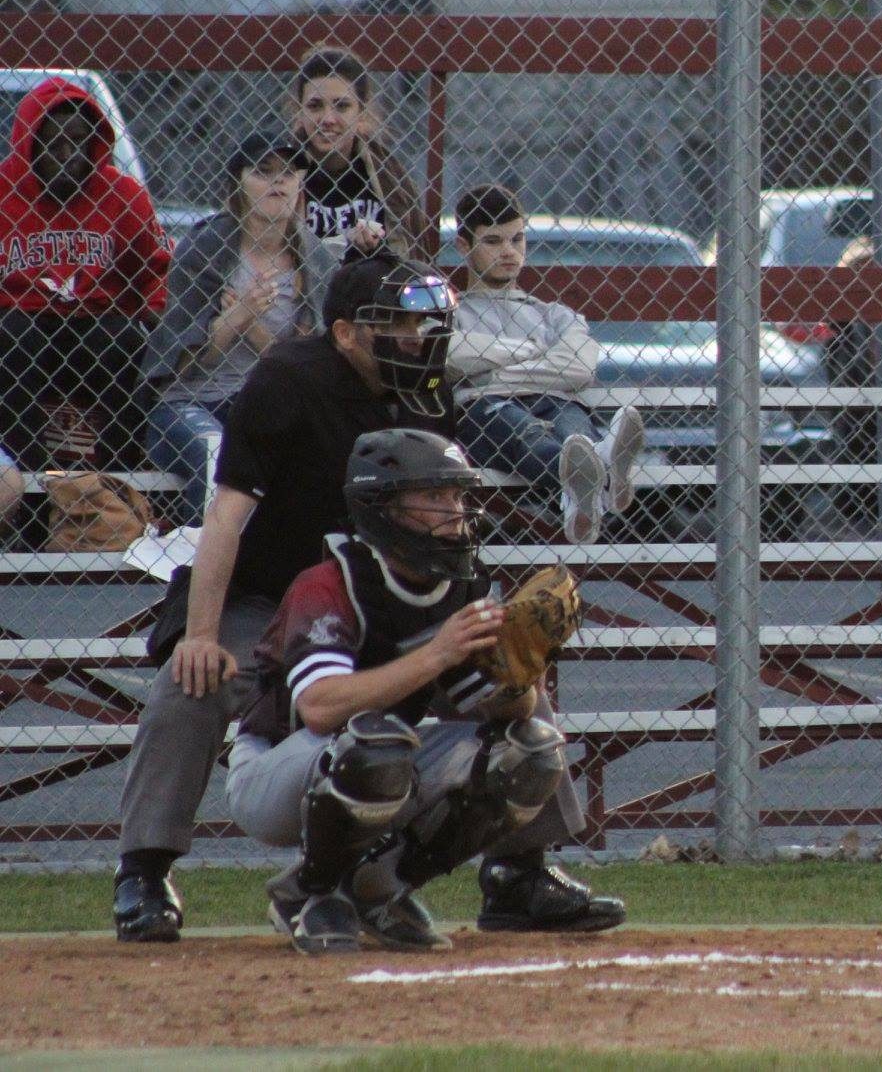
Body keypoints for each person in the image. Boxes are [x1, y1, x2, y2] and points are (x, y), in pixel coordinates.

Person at [112, 250, 623, 942]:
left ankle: (518, 872)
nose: (420, 339)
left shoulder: (427, 386)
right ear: (347, 331)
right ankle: (144, 870)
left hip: (375, 588)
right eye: (400, 325)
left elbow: (434, 513)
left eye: (426, 323)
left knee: (502, 667)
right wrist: (202, 633)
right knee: (191, 682)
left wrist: (483, 636)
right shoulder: (287, 378)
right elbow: (227, 513)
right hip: (265, 589)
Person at [227, 428, 583, 954]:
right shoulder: (330, 582)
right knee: (376, 744)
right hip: (277, 766)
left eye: (459, 497)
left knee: (531, 751)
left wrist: (515, 674)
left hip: (380, 752)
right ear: (384, 507)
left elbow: (506, 711)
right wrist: (437, 653)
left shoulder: (459, 582)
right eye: (435, 497)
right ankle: (311, 893)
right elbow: (320, 707)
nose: (455, 511)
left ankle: (380, 889)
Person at [142, 131, 336, 524]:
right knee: (215, 449)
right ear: (238, 182)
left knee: (322, 448)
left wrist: (246, 322)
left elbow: (304, 371)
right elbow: (181, 362)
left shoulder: (314, 257)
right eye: (262, 172)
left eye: (288, 172)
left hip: (265, 399)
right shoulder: (206, 250)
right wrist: (236, 317)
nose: (277, 181)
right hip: (192, 399)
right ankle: (197, 573)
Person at [446, 183, 645, 544]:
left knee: (575, 436)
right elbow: (448, 354)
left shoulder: (553, 314)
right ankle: (606, 473)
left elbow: (580, 367)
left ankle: (586, 483)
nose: (508, 251)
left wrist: (492, 369)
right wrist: (534, 350)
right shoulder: (452, 312)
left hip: (554, 400)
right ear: (464, 246)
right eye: (493, 241)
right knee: (531, 436)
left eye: (516, 239)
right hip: (485, 409)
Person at [0, 76, 171, 471]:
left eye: (78, 142)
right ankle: (30, 481)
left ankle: (112, 478)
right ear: (31, 143)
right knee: (13, 338)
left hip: (95, 321)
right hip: (22, 322)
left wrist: (155, 308)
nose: (68, 155)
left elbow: (155, 270)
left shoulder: (123, 194)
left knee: (121, 339)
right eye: (55, 144)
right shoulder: (5, 192)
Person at [289, 46, 434, 260]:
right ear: (299, 112)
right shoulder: (283, 175)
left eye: (342, 106)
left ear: (362, 114)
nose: (327, 119)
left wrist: (377, 248)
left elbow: (412, 261)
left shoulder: (390, 179)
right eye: (315, 106)